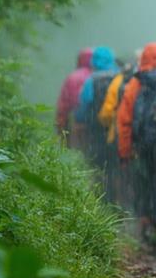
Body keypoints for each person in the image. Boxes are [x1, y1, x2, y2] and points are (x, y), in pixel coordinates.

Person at [116, 42, 156, 254]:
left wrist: (125, 152)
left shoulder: (137, 83)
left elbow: (125, 121)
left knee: (143, 186)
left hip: (142, 146)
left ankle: (144, 228)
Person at [75, 46, 119, 198]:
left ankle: (103, 199)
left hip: (96, 130)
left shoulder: (91, 81)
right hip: (115, 129)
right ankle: (117, 200)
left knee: (99, 165)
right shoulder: (119, 77)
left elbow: (84, 105)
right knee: (116, 166)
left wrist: (80, 124)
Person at [98, 55, 138, 211]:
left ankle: (119, 206)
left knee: (118, 172)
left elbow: (107, 113)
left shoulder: (117, 81)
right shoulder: (139, 82)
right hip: (139, 137)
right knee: (135, 174)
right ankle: (136, 207)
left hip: (118, 135)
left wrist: (108, 124)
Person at [55, 48, 93, 147]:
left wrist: (61, 121)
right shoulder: (94, 76)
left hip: (75, 119)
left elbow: (63, 102)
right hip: (91, 119)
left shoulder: (72, 77)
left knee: (75, 146)